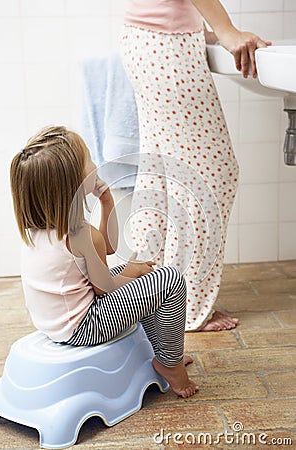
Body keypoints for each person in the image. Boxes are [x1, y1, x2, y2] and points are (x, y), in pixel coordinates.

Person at [10, 125, 197, 398]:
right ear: (73, 183)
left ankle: (165, 350)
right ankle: (170, 363)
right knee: (169, 280)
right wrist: (132, 271)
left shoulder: (39, 230)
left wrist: (107, 202)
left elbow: (105, 250)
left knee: (142, 281)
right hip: (86, 325)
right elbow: (105, 289)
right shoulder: (80, 234)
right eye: (88, 160)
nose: (95, 164)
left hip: (57, 322)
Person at [121, 0, 271, 332]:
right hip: (166, 50)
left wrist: (201, 31)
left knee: (160, 174)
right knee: (213, 175)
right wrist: (227, 31)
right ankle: (187, 305)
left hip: (147, 42)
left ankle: (148, 290)